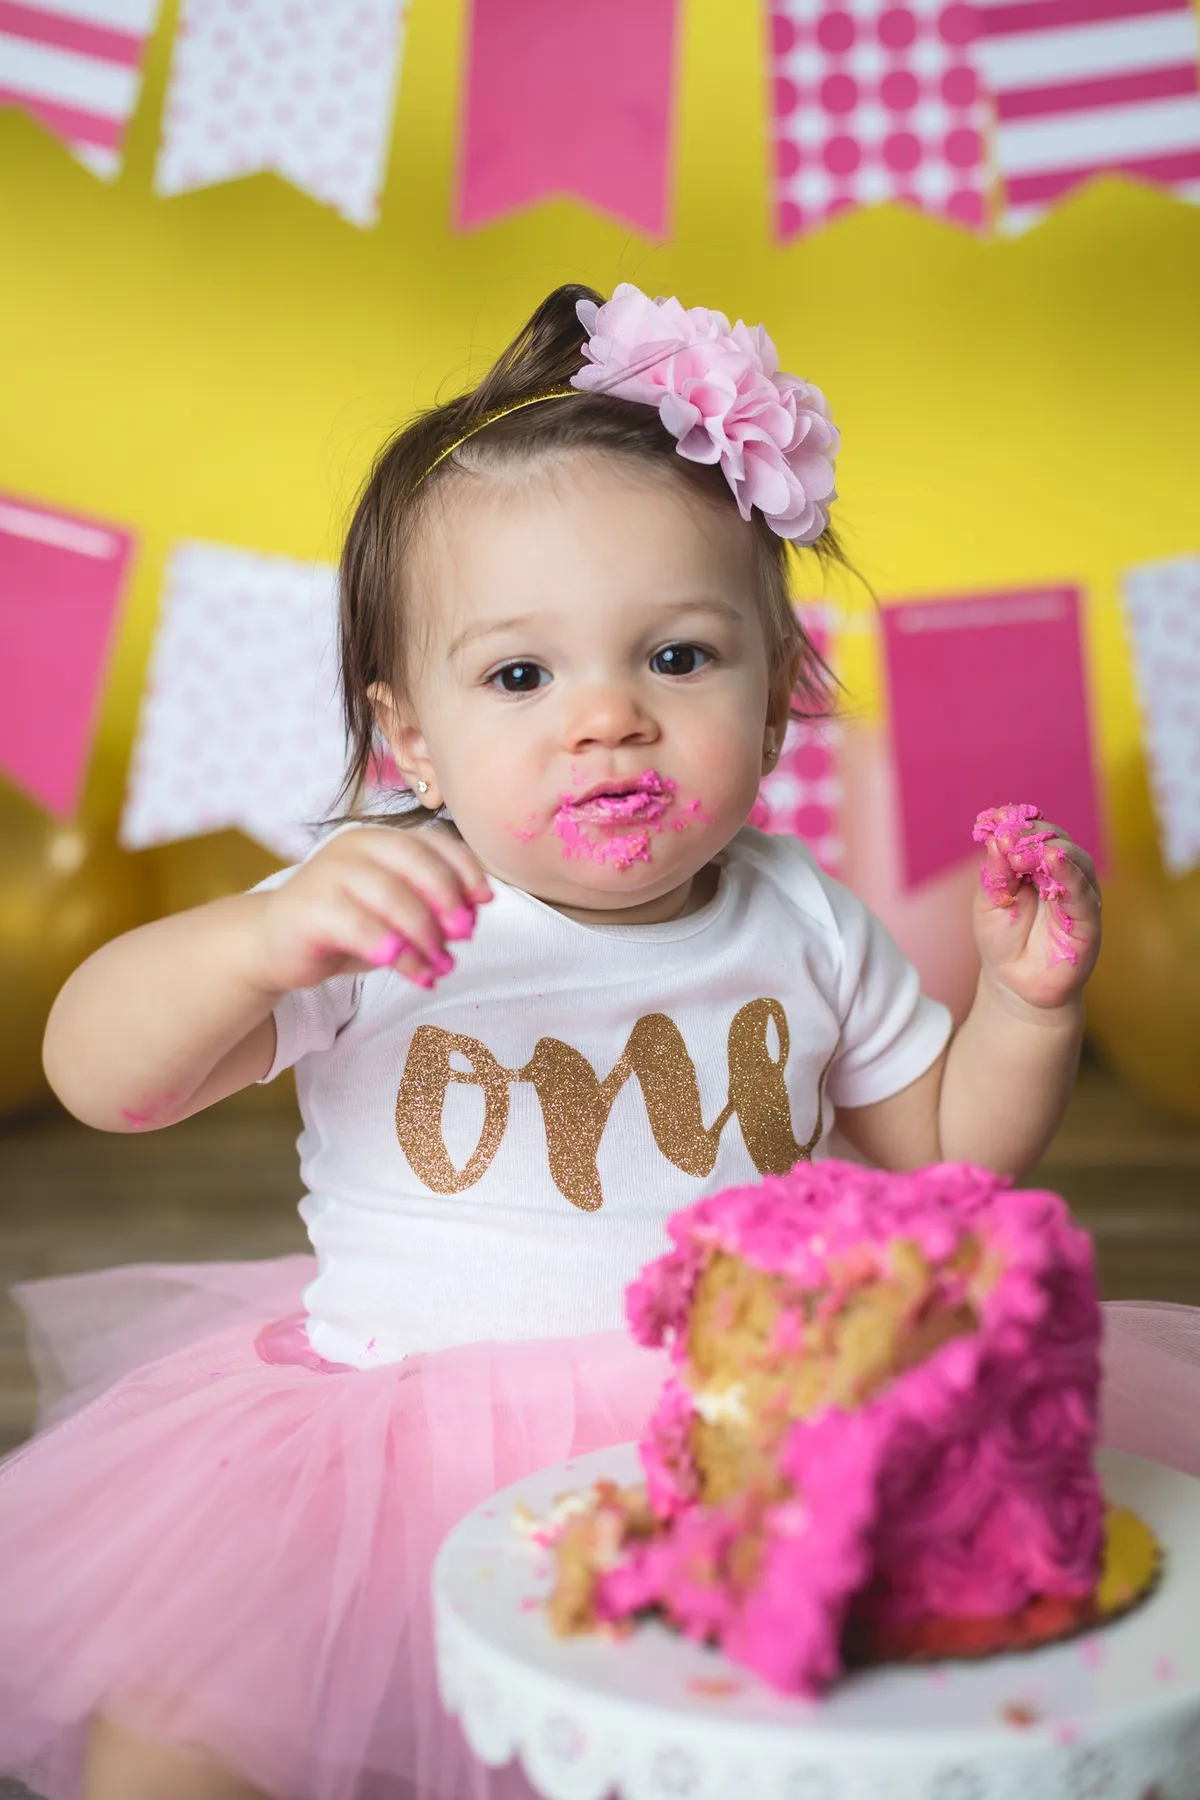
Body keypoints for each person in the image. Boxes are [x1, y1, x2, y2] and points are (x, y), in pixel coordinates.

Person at [0, 280, 1176, 1800]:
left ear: (776, 710)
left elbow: (945, 1158)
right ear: (408, 738)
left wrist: (1027, 1007)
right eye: (520, 676)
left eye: (679, 659)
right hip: (391, 1442)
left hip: (739, 1447)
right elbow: (106, 1079)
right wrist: (249, 941)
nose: (608, 717)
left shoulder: (799, 913)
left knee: (741, 1735)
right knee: (179, 1734)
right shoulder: (374, 900)